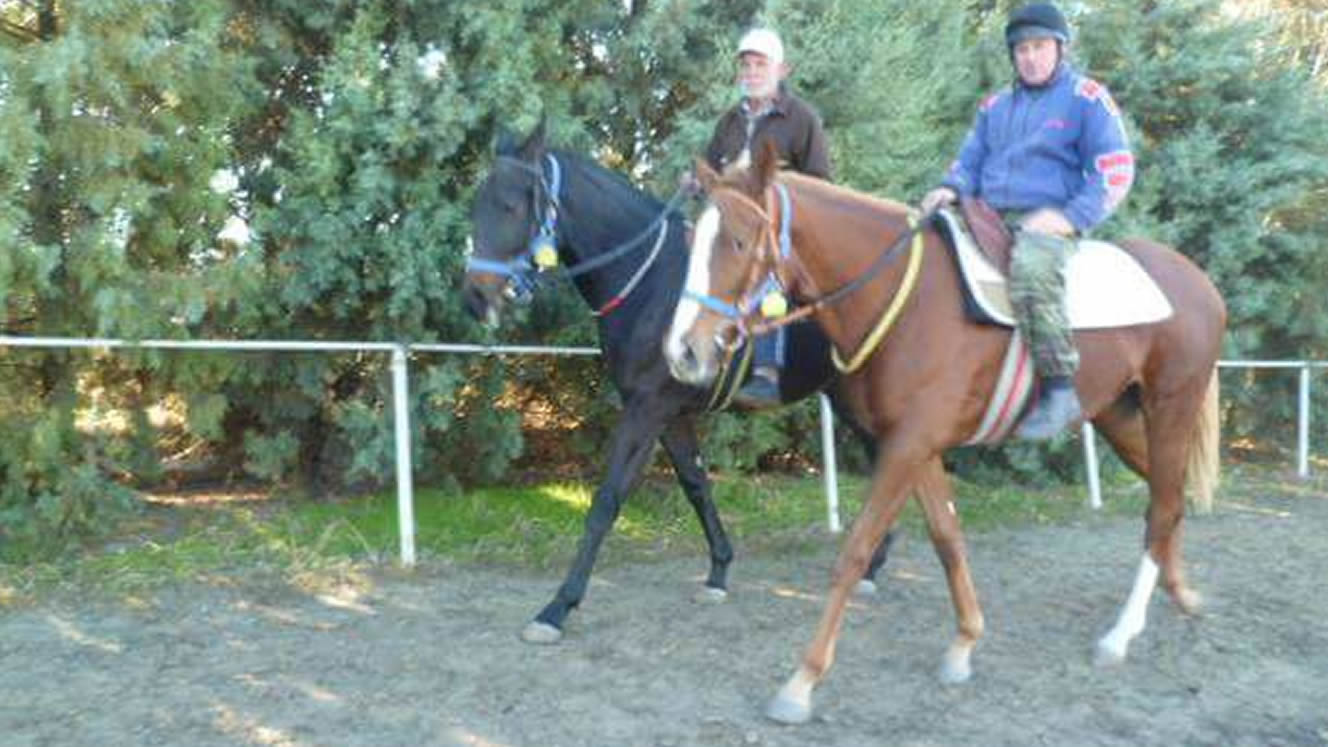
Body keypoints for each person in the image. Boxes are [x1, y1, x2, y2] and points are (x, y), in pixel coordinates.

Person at [920, 1, 1135, 439]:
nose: (1030, 57)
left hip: (1047, 223)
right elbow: (969, 161)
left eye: (1039, 47)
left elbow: (1116, 168)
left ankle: (1059, 388)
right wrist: (950, 187)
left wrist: (1070, 217)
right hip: (985, 217)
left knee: (1033, 269)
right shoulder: (994, 106)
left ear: (1060, 49)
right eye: (1021, 50)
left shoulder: (1086, 99)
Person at [703, 27, 833, 406]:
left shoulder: (802, 118)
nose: (752, 71)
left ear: (782, 70)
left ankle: (766, 373)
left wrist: (780, 191)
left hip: (783, 233)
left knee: (765, 279)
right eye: (746, 64)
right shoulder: (729, 121)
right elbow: (714, 174)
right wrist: (699, 184)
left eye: (761, 64)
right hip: (734, 229)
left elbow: (821, 182)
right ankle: (695, 356)